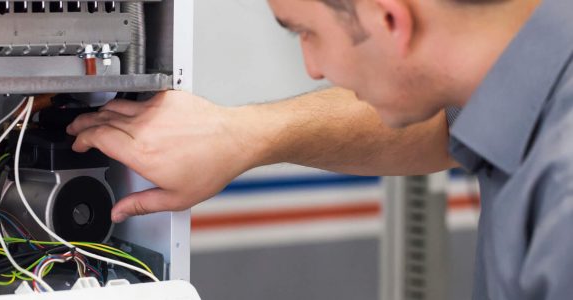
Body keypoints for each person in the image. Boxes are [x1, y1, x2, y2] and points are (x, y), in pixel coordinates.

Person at [68, 0, 573, 298]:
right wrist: (241, 136)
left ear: (390, 19)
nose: (312, 68)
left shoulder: (561, 197)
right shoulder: (520, 72)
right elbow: (442, 114)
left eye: (307, 33)